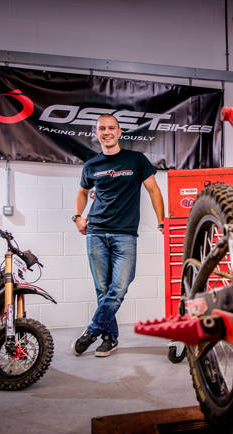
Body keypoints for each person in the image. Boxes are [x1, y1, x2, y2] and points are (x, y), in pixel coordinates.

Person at [71, 114, 165, 357]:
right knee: (103, 290)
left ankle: (91, 331)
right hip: (96, 232)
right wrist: (77, 217)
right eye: (102, 128)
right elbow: (82, 192)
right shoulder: (92, 165)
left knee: (119, 287)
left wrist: (161, 220)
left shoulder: (136, 160)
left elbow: (154, 190)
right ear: (97, 133)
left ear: (119, 132)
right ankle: (109, 338)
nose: (107, 132)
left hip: (125, 234)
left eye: (111, 128)